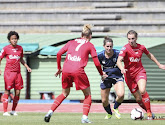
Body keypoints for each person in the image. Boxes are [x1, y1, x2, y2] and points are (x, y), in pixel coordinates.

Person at [44, 24, 107, 123]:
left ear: (81, 35)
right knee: (87, 95)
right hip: (78, 71)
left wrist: (59, 68)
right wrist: (101, 73)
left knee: (64, 93)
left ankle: (50, 112)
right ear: (90, 36)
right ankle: (84, 118)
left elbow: (59, 53)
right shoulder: (90, 45)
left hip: (66, 70)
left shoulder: (71, 42)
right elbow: (96, 62)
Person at [117, 30, 165, 120]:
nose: (131, 41)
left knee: (142, 90)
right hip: (129, 76)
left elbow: (149, 55)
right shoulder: (125, 48)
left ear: (136, 38)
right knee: (138, 99)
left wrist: (159, 64)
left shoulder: (141, 47)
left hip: (140, 72)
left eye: (132, 38)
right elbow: (119, 60)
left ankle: (149, 113)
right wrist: (122, 68)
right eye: (129, 39)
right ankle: (147, 110)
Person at [0, 31, 32, 116]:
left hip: (18, 73)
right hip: (9, 73)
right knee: (7, 91)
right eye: (12, 39)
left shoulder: (20, 48)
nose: (14, 40)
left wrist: (27, 66)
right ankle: (5, 111)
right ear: (9, 40)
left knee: (17, 92)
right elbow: (0, 58)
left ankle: (13, 110)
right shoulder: (5, 49)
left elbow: (21, 59)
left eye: (16, 39)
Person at [97, 36, 124, 119]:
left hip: (117, 76)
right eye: (107, 46)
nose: (109, 48)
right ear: (104, 46)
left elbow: (126, 59)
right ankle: (109, 113)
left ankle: (115, 107)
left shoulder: (117, 53)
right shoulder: (100, 55)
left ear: (113, 46)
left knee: (121, 94)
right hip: (106, 78)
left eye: (110, 46)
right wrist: (102, 73)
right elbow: (97, 65)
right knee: (104, 101)